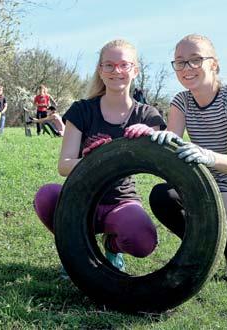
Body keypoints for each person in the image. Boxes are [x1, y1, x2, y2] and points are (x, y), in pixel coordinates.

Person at [33, 39, 166, 278]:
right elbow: (64, 166)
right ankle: (76, 251)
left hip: (121, 200)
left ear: (135, 70)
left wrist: (151, 136)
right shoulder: (82, 110)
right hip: (82, 198)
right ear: (100, 70)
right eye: (109, 65)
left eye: (124, 65)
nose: (117, 71)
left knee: (142, 239)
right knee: (46, 197)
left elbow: (164, 163)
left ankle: (112, 246)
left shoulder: (147, 115)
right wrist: (95, 160)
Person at [149, 34, 227, 286]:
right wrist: (149, 136)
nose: (186, 68)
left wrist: (206, 155)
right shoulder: (181, 101)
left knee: (202, 205)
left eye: (195, 60)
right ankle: (226, 251)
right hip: (207, 191)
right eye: (180, 62)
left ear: (214, 63)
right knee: (162, 196)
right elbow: (171, 145)